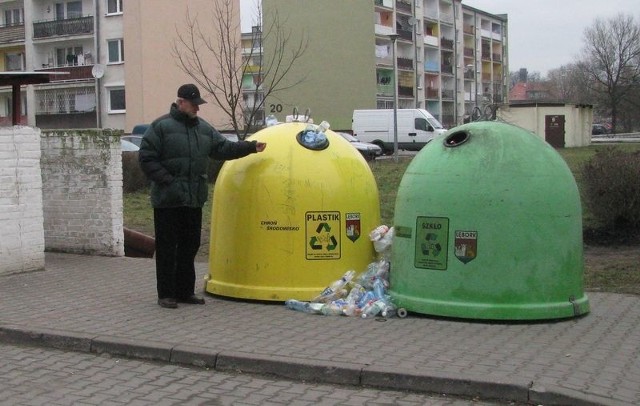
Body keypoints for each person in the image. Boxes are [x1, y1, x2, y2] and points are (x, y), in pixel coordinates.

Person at [139, 83, 266, 309]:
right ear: (180, 102)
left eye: (198, 105)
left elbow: (223, 148)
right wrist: (168, 181)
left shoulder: (203, 129)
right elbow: (147, 158)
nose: (197, 109)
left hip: (194, 199)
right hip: (168, 201)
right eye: (194, 104)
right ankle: (166, 294)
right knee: (168, 248)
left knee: (190, 245)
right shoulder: (160, 127)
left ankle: (185, 291)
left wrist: (250, 147)